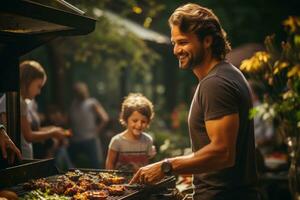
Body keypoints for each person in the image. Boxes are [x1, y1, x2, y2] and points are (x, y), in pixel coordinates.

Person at [130, 3, 259, 200]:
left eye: (182, 42)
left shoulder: (215, 84)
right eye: (174, 43)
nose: (176, 50)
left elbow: (223, 153)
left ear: (207, 41)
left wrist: (167, 166)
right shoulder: (228, 74)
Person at [0, 60, 67, 159]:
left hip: (24, 157)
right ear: (28, 81)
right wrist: (53, 133)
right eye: (38, 86)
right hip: (18, 159)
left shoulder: (21, 101)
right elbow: (29, 136)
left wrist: (54, 129)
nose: (39, 92)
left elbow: (27, 131)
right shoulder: (16, 101)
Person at [105, 93, 156, 172]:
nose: (139, 125)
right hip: (120, 182)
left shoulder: (148, 140)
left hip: (141, 182)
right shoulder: (117, 141)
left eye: (143, 121)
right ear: (126, 119)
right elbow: (109, 165)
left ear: (148, 122)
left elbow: (150, 164)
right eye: (135, 121)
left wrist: (152, 155)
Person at [69, 82, 109, 168]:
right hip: (75, 140)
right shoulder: (73, 105)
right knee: (70, 166)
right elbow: (70, 121)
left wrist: (97, 130)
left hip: (90, 139)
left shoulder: (92, 103)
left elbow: (105, 118)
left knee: (96, 165)